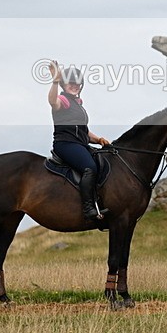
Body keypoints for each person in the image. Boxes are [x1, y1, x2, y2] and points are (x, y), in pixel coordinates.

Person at [49, 61, 111, 221]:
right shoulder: (63, 100)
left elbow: (84, 131)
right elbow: (52, 102)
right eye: (71, 82)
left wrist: (99, 139)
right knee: (89, 167)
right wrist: (55, 81)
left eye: (77, 83)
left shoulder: (78, 104)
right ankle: (88, 208)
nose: (74, 85)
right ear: (64, 84)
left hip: (80, 144)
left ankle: (99, 200)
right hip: (65, 144)